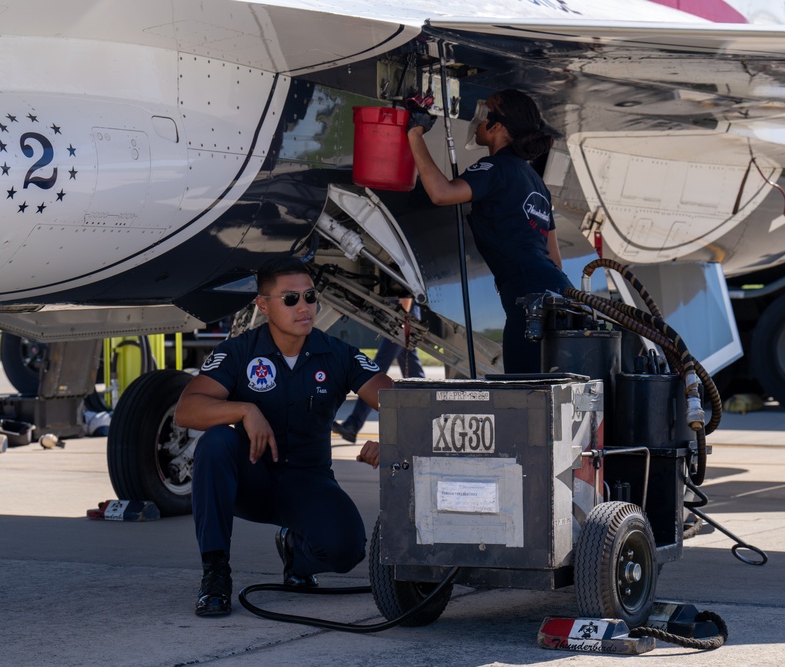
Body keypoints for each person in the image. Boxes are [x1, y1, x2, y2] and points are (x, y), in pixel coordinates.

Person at [175, 257, 390, 617]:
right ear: (263, 305)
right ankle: (215, 573)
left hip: (309, 480)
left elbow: (404, 403)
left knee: (347, 550)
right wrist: (244, 410)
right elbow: (187, 409)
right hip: (251, 479)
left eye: (310, 296)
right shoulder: (239, 352)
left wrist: (394, 438)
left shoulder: (338, 355)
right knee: (216, 442)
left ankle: (296, 553)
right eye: (290, 299)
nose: (304, 307)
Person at [407, 89, 572, 373]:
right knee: (551, 388)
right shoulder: (535, 181)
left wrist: (415, 134)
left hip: (526, 296)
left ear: (497, 126)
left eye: (484, 115)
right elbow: (554, 258)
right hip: (558, 290)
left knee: (525, 391)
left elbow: (441, 193)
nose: (478, 121)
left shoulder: (496, 168)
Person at [331, 297, 424, 444]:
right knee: (414, 372)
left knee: (376, 371)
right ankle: (429, 417)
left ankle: (353, 425)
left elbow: (406, 293)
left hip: (402, 321)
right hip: (403, 319)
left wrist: (401, 319)